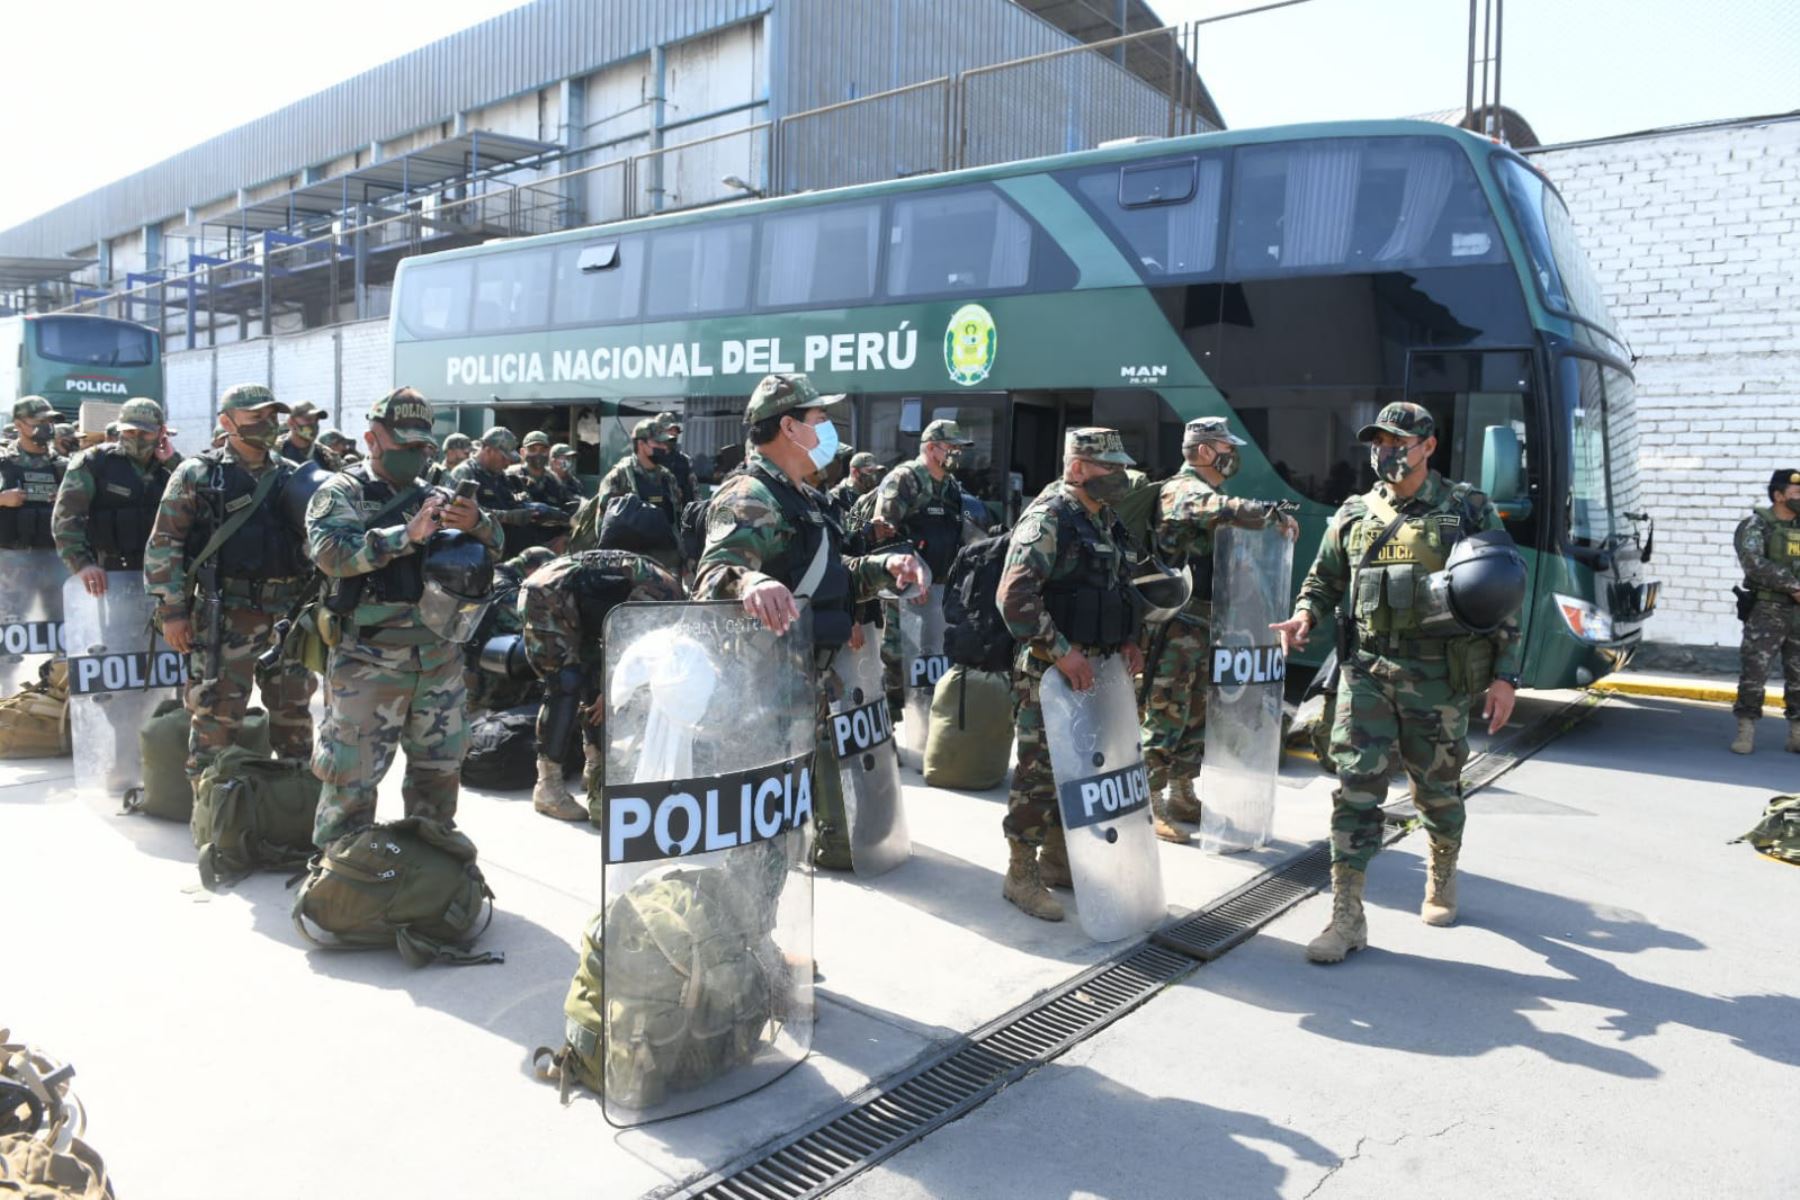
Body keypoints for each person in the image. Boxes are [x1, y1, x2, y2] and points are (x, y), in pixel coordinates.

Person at [1270, 401, 1519, 964]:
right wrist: (1306, 613)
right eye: (1378, 442)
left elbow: (1505, 593)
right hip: (1367, 672)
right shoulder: (1354, 512)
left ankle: (1442, 868)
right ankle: (1346, 915)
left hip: (1438, 677)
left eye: (1398, 441)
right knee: (1356, 790)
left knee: (1437, 789)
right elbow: (1324, 578)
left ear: (1428, 447)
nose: (1386, 451)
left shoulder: (1466, 509)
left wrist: (1505, 675)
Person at [694, 373, 927, 868]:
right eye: (819, 418)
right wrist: (750, 583)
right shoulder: (750, 496)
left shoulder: (804, 499)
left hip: (804, 684)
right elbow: (713, 576)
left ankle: (760, 935)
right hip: (762, 694)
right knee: (759, 835)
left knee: (784, 831)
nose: (827, 428)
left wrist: (881, 568)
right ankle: (744, 938)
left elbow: (825, 577)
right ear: (789, 426)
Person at [305, 388, 502, 847]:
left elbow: (494, 547)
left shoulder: (436, 489)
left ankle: (428, 869)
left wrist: (477, 523)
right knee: (350, 781)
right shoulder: (341, 492)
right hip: (368, 662)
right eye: (404, 446)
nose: (414, 457)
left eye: (421, 447)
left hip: (438, 658)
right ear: (372, 440)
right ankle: (340, 874)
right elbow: (331, 555)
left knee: (439, 772)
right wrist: (404, 536)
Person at [996, 428, 1145, 922]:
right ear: (1077, 468)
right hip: (1050, 673)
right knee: (1039, 773)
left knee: (1084, 767)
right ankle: (1021, 872)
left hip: (1098, 668)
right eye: (1110, 467)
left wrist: (1128, 639)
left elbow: (1117, 587)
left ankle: (1060, 861)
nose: (1120, 476)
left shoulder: (1104, 521)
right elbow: (1015, 600)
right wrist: (1061, 653)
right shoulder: (1048, 519)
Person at [145, 384, 317, 780]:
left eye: (271, 417)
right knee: (216, 718)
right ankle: (211, 814)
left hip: (288, 616)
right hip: (225, 617)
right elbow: (164, 544)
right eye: (255, 418)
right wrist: (172, 611)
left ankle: (293, 805)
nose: (267, 425)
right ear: (227, 422)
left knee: (294, 717)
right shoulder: (198, 474)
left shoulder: (295, 477)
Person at [1139, 416, 1297, 841]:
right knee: (1165, 712)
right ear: (1205, 451)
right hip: (1174, 628)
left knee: (1195, 712)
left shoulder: (1209, 491)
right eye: (1227, 448)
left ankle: (1182, 791)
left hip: (1205, 622)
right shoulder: (1183, 490)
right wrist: (1269, 514)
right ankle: (1148, 802)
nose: (1233, 457)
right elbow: (1220, 511)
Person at [520, 543, 682, 821]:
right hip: (547, 594)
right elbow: (632, 651)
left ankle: (594, 768)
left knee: (597, 677)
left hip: (579, 599)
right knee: (565, 682)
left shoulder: (666, 591)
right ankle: (548, 787)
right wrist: (611, 690)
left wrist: (606, 688)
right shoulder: (665, 598)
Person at [52, 397, 179, 595]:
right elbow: (65, 518)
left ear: (161, 432)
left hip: (162, 578)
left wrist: (174, 462)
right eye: (129, 431)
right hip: (109, 576)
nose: (136, 438)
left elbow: (200, 503)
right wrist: (82, 564)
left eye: (145, 433)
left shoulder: (171, 469)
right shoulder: (94, 463)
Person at [1730, 468, 1800, 754]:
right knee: (1754, 673)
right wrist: (1794, 587)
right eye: (1796, 493)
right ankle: (1745, 730)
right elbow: (1754, 563)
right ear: (1779, 495)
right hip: (1767, 610)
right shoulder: (1756, 526)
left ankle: (1797, 733)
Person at [0, 397, 69, 556]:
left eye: (50, 420)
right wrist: (2, 499)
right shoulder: (4, 462)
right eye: (39, 420)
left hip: (53, 558)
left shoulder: (65, 466)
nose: (47, 426)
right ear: (18, 424)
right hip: (8, 561)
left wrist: (68, 501)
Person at [450, 427, 539, 538]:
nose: (507, 463)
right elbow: (463, 514)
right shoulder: (465, 473)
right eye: (504, 457)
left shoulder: (501, 475)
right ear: (488, 450)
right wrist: (508, 517)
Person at [507, 431, 578, 553]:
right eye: (533, 449)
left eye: (543, 450)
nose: (538, 454)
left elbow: (569, 510)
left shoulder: (554, 480)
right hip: (517, 545)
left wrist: (564, 536)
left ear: (548, 452)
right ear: (523, 452)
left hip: (548, 547)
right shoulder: (511, 476)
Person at [653, 411, 695, 508]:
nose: (673, 434)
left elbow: (694, 492)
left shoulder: (684, 460)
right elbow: (644, 497)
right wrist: (667, 497)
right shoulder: (648, 461)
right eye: (669, 430)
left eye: (675, 430)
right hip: (655, 517)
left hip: (680, 517)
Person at [828, 451, 882, 516]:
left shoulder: (875, 494)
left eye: (876, 471)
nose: (874, 476)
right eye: (870, 471)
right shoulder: (838, 496)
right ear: (855, 472)